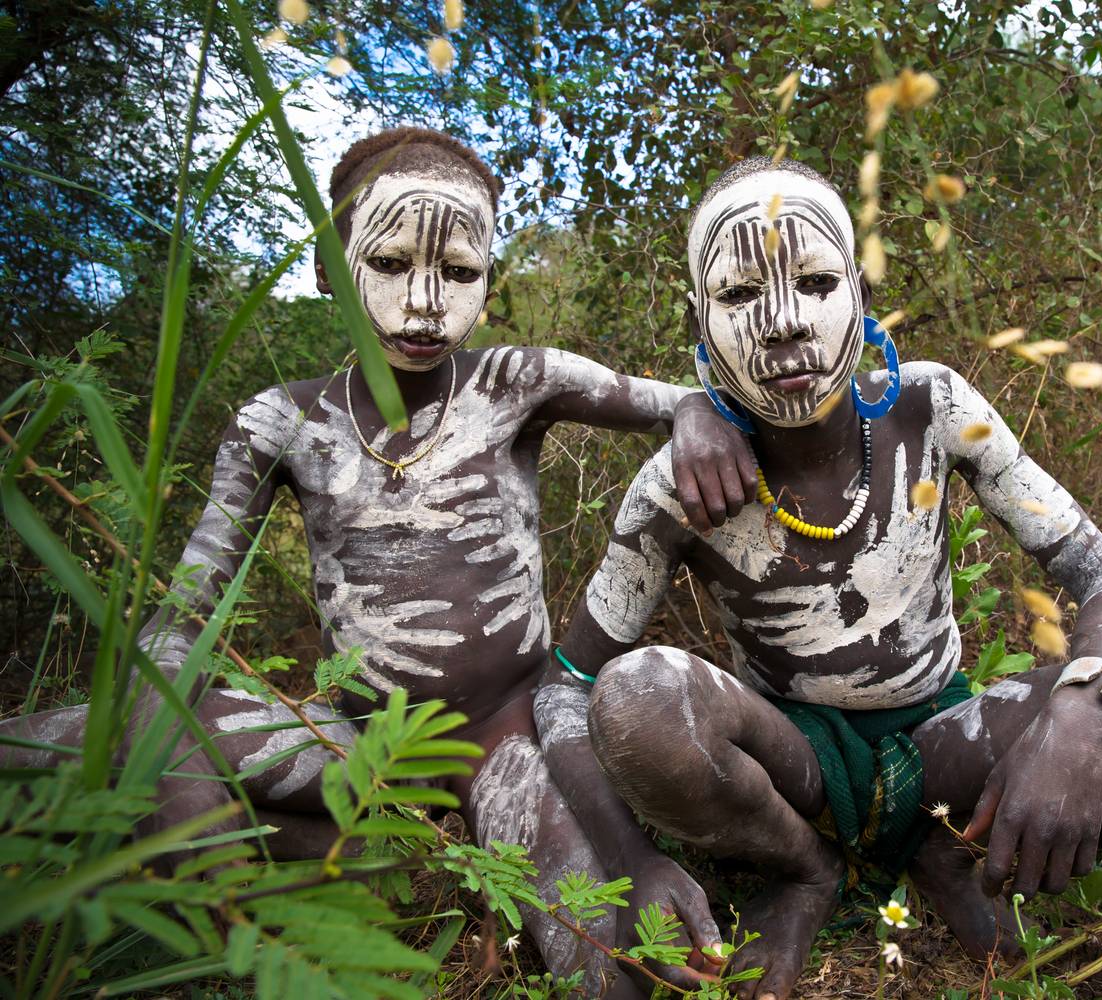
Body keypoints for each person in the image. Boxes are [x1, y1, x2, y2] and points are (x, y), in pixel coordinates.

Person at [0, 127, 756, 997]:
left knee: (611, 955)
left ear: (488, 278)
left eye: (460, 273)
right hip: (355, 743)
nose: (426, 305)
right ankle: (321, 853)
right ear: (330, 267)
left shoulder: (517, 382)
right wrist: (167, 752)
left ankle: (372, 854)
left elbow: (685, 399)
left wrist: (697, 413)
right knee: (66, 742)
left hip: (507, 741)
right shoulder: (283, 422)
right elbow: (183, 619)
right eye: (390, 263)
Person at [535, 156, 1102, 1000]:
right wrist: (631, 857)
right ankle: (805, 872)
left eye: (818, 280)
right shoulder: (676, 489)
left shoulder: (932, 408)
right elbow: (565, 688)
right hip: (797, 770)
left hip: (949, 744)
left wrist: (1081, 716)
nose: (784, 322)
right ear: (699, 319)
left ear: (861, 295)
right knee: (635, 697)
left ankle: (950, 840)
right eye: (742, 294)